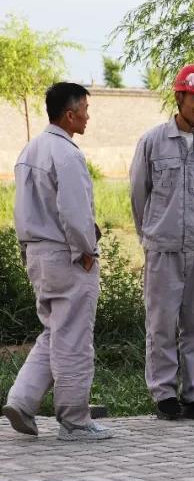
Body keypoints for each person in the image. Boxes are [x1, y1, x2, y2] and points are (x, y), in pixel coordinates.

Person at [3, 82, 112, 441]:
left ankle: (21, 400)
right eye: (84, 109)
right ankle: (75, 421)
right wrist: (86, 251)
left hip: (36, 254)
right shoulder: (67, 154)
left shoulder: (29, 150)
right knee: (75, 339)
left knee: (55, 331)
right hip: (66, 255)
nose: (88, 116)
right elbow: (74, 212)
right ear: (70, 114)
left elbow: (25, 210)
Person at [130, 64, 194, 421]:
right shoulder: (153, 142)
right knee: (162, 323)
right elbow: (139, 195)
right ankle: (164, 393)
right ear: (179, 97)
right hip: (162, 249)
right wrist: (151, 235)